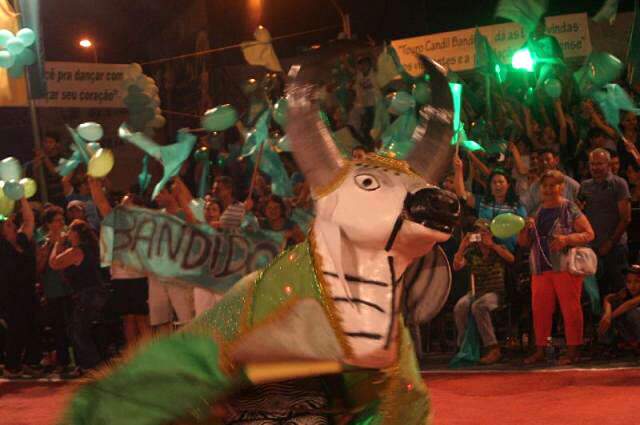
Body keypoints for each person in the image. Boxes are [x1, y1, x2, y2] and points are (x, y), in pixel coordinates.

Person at [518, 170, 595, 365]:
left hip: (565, 268)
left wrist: (566, 239)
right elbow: (523, 243)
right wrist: (524, 230)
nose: (548, 189)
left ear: (562, 187)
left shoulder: (570, 208)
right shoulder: (535, 211)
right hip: (540, 268)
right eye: (545, 186)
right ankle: (540, 350)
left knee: (571, 310)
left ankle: (573, 351)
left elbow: (589, 233)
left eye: (553, 185)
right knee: (540, 310)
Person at [88, 177, 151, 346]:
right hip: (119, 277)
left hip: (139, 278)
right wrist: (94, 183)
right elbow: (101, 203)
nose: (121, 207)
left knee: (142, 319)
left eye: (126, 203)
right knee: (127, 319)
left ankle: (149, 359)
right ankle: (132, 358)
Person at [49, 219, 107, 375]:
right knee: (81, 329)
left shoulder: (77, 251)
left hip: (87, 294)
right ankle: (84, 365)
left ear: (76, 233)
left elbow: (54, 263)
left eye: (69, 230)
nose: (67, 233)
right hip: (94, 293)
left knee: (78, 330)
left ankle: (93, 365)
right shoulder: (90, 248)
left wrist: (57, 244)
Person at [453, 219, 515, 364]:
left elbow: (511, 259)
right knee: (460, 306)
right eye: (478, 232)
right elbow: (457, 266)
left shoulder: (498, 248)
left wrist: (492, 245)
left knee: (479, 306)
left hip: (496, 293)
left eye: (484, 232)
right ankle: (464, 346)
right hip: (476, 291)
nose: (480, 235)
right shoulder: (472, 252)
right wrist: (462, 247)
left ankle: (493, 348)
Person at [579, 149, 632, 297]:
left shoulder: (619, 184)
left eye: (599, 164)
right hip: (592, 247)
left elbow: (626, 218)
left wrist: (610, 243)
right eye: (592, 164)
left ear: (608, 164)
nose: (595, 167)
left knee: (619, 289)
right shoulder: (585, 185)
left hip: (615, 247)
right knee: (597, 291)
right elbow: (580, 214)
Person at [0, 198, 41, 378]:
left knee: (34, 327)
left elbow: (29, 220)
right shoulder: (2, 248)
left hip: (29, 292)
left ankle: (31, 362)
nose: (13, 225)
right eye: (8, 225)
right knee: (16, 329)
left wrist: (22, 198)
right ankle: (12, 366)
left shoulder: (23, 240)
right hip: (11, 295)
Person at [453, 155, 526, 251]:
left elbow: (523, 233)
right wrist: (458, 170)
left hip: (505, 252)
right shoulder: (483, 202)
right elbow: (462, 195)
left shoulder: (517, 206)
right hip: (483, 249)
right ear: (490, 186)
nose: (497, 185)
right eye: (494, 182)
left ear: (508, 185)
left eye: (501, 182)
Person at [36, 205, 73, 373]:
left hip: (70, 288)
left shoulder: (69, 239)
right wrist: (47, 249)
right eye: (57, 221)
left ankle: (77, 360)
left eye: (62, 220)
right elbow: (39, 268)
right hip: (52, 289)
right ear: (49, 224)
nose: (61, 223)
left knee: (72, 325)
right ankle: (63, 361)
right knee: (58, 327)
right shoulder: (42, 241)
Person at [520, 149, 580, 214]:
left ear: (556, 160)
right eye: (541, 160)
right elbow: (524, 205)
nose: (544, 163)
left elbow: (578, 209)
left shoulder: (572, 185)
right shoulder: (535, 186)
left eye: (547, 159)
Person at [598, 264, 640, 350]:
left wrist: (610, 317)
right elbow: (608, 298)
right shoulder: (625, 291)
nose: (633, 285)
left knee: (632, 312)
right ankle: (607, 342)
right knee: (614, 308)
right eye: (629, 282)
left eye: (637, 281)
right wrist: (607, 314)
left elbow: (629, 304)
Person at [26, 132, 66, 206]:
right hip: (43, 197)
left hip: (59, 197)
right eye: (45, 142)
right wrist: (36, 165)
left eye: (50, 142)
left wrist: (45, 158)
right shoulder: (40, 159)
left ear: (57, 144)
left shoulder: (63, 159)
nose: (47, 145)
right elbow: (35, 178)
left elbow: (56, 173)